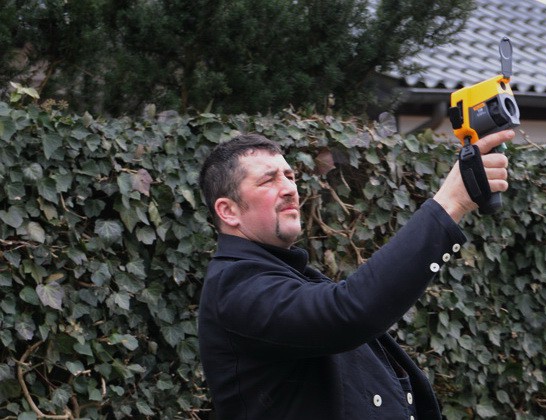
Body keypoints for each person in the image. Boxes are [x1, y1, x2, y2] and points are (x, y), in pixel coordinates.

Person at [197, 129, 513, 419]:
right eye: (268, 180)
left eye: (290, 176)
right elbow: (349, 311)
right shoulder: (234, 286)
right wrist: (449, 204)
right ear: (228, 211)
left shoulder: (291, 275)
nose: (290, 189)